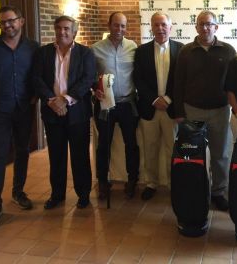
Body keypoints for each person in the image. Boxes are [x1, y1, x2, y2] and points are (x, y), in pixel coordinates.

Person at [0, 5, 39, 228]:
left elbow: (37, 77)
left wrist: (34, 98)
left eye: (11, 21)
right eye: (2, 22)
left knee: (22, 151)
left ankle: (18, 192)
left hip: (23, 109)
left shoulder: (32, 47)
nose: (7, 25)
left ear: (21, 21)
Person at [174, 10, 236, 211]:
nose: (205, 27)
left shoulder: (228, 51)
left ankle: (218, 192)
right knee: (194, 154)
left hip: (219, 110)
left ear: (216, 27)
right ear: (196, 27)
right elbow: (178, 82)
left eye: (209, 24)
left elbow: (235, 82)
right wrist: (178, 112)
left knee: (220, 154)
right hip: (192, 110)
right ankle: (196, 190)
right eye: (201, 24)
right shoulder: (185, 51)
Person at [33, 15, 95, 210]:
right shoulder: (42, 53)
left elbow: (88, 79)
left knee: (80, 156)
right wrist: (52, 100)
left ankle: (83, 195)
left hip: (78, 113)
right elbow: (36, 79)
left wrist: (65, 99)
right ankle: (57, 194)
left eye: (67, 28)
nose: (62, 32)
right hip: (52, 112)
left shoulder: (85, 53)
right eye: (59, 28)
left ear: (74, 32)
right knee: (56, 156)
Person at [133, 12, 184, 200]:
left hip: (172, 110)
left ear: (170, 27)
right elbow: (138, 79)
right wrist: (154, 99)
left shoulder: (181, 49)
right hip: (150, 108)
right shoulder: (141, 51)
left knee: (173, 150)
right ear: (151, 27)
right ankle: (151, 183)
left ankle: (174, 184)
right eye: (156, 25)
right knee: (150, 148)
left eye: (164, 24)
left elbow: (182, 80)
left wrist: (168, 99)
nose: (160, 28)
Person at [92, 12, 140, 199]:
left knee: (131, 144)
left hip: (128, 104)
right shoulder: (95, 49)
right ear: (109, 25)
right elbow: (89, 75)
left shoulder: (133, 47)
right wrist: (93, 89)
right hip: (105, 104)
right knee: (104, 144)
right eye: (116, 25)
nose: (119, 29)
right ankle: (103, 181)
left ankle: (133, 179)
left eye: (123, 26)